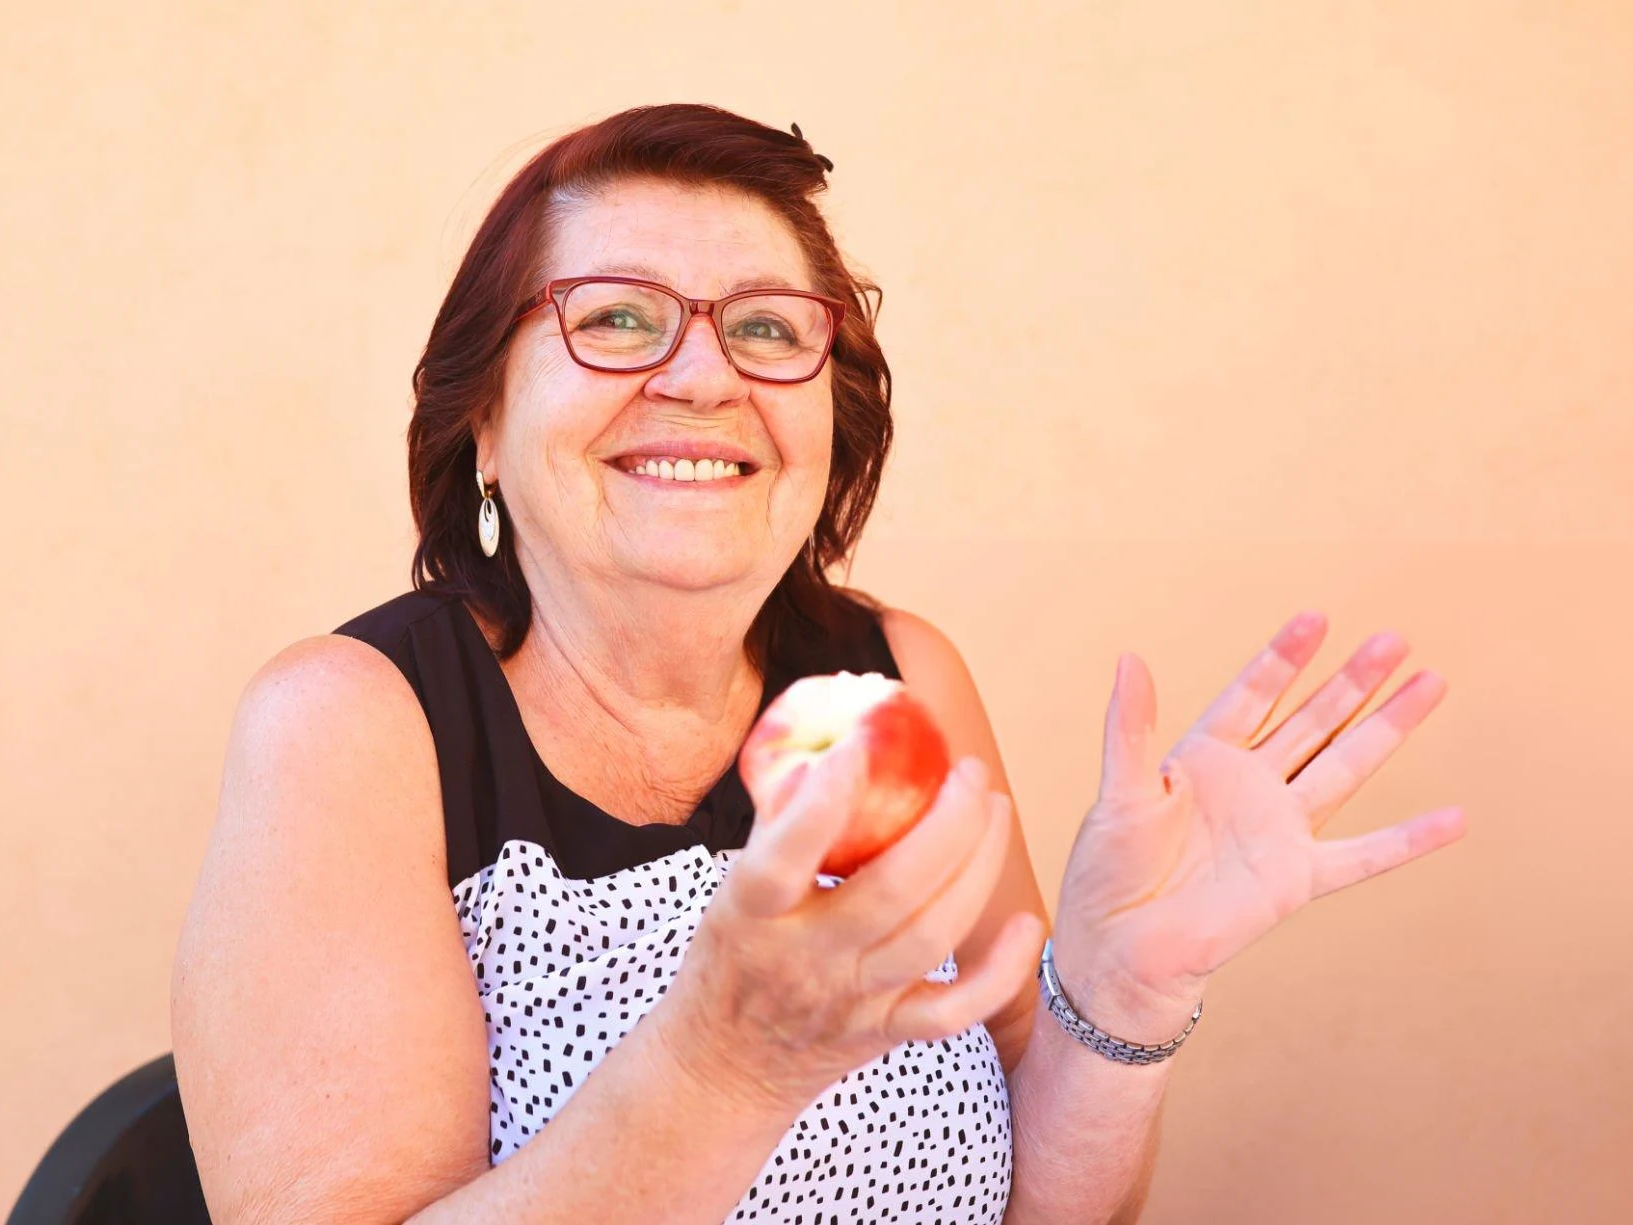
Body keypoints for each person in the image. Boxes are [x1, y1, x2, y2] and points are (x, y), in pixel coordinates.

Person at [170, 103, 1467, 1224]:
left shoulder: (900, 675)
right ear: (484, 427)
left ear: (823, 423)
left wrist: (1117, 1007)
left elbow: (1047, 1207)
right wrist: (725, 1063)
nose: (701, 376)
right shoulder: (354, 727)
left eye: (767, 329)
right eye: (614, 319)